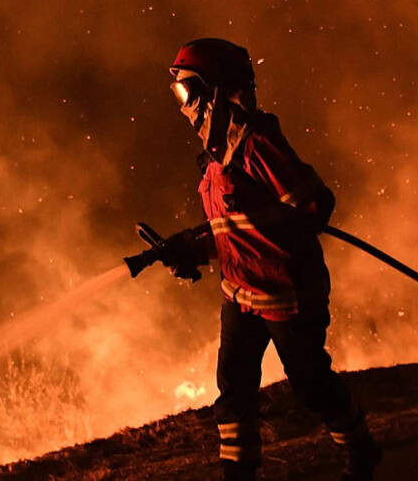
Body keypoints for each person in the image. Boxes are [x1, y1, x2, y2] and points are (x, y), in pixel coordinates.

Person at [155, 38, 382, 481]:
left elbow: (313, 205)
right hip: (239, 296)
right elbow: (232, 233)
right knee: (234, 394)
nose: (184, 106)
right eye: (179, 94)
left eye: (189, 91)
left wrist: (281, 240)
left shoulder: (256, 145)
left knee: (311, 386)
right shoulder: (215, 159)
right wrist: (190, 249)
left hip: (287, 295)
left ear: (216, 90)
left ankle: (361, 448)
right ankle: (239, 475)